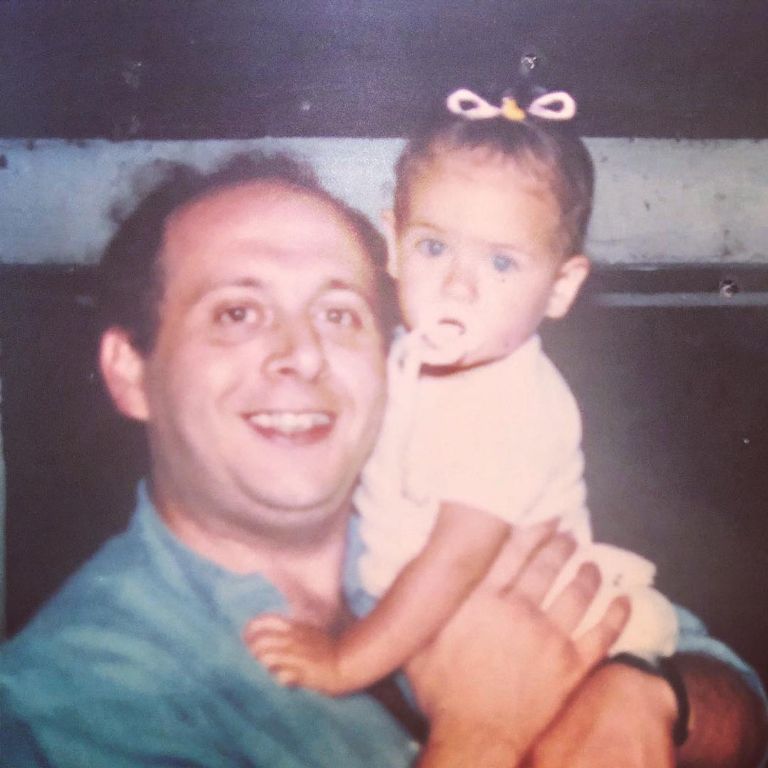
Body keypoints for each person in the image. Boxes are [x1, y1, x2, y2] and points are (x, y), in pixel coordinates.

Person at [0, 152, 765, 768]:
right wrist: (482, 735)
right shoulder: (70, 696)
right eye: (238, 312)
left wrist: (648, 698)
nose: (303, 354)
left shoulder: (417, 499)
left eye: (339, 313)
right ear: (131, 372)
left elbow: (736, 698)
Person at [244, 88, 677, 696]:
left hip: (550, 632)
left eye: (501, 263)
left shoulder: (516, 408)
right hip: (424, 613)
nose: (457, 286)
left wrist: (345, 662)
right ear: (394, 246)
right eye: (435, 247)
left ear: (560, 287)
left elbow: (454, 562)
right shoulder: (400, 354)